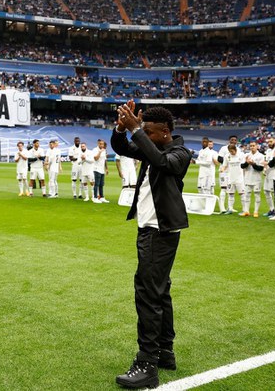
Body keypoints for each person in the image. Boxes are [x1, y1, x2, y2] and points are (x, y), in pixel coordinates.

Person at [111, 102, 191, 389]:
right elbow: (121, 148)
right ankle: (165, 353)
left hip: (160, 232)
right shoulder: (153, 147)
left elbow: (161, 162)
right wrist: (122, 128)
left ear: (165, 132)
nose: (143, 134)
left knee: (147, 295)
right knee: (160, 292)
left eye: (148, 131)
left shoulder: (180, 153)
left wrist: (135, 128)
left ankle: (147, 364)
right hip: (150, 230)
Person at [221, 144, 247, 215]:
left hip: (239, 178)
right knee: (230, 194)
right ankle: (230, 209)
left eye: (232, 151)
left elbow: (244, 166)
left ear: (235, 149)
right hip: (230, 178)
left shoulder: (241, 155)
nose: (231, 153)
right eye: (230, 151)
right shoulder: (227, 156)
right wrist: (222, 169)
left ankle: (244, 210)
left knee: (242, 194)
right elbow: (225, 165)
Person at [216, 136, 238, 213]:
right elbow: (219, 158)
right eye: (232, 140)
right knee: (223, 188)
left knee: (231, 190)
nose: (233, 141)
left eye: (235, 140)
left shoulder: (238, 149)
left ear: (237, 141)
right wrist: (229, 161)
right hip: (224, 171)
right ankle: (222, 208)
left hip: (233, 172)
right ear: (229, 140)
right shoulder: (224, 148)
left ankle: (230, 207)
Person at [242, 141, 264, 217]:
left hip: (256, 178)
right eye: (251, 146)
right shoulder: (246, 155)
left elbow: (261, 168)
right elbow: (242, 166)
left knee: (257, 195)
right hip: (247, 178)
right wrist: (247, 162)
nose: (252, 147)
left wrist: (253, 164)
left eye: (253, 146)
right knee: (246, 195)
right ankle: (246, 211)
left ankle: (256, 211)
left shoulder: (261, 156)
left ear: (257, 146)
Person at [262, 138, 275, 217]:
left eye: (271, 141)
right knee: (266, 191)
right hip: (267, 173)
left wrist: (266, 164)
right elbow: (265, 162)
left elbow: (273, 162)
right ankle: (271, 209)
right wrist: (264, 169)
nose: (269, 143)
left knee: (274, 192)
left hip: (274, 174)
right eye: (268, 142)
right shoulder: (268, 151)